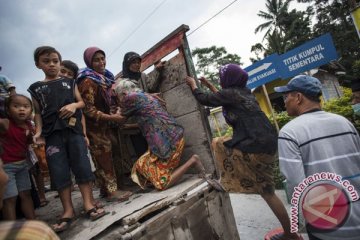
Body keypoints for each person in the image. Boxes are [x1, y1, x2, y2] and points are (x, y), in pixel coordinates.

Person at [185, 64, 302, 240]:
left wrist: (193, 85)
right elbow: (223, 99)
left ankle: (224, 180)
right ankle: (291, 234)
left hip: (255, 143)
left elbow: (205, 99)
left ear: (229, 79)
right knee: (268, 192)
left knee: (217, 143)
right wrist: (209, 85)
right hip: (269, 141)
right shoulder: (245, 93)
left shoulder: (231, 94)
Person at [28, 46, 107, 233]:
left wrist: (73, 105)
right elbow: (37, 113)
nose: (52, 65)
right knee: (59, 171)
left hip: (74, 132)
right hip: (52, 136)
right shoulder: (36, 88)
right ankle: (68, 210)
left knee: (82, 166)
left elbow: (81, 103)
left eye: (55, 61)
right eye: (46, 61)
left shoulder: (69, 83)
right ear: (38, 65)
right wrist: (38, 132)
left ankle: (88, 204)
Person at [274, 75, 360, 240]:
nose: (284, 102)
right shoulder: (344, 123)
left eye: (287, 96)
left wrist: (297, 226)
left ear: (298, 97)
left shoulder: (289, 132)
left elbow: (295, 184)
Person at [115, 79, 205, 190]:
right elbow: (149, 121)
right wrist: (129, 127)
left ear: (123, 94)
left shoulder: (129, 97)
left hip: (168, 143)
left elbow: (120, 119)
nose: (119, 101)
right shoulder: (143, 95)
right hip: (173, 136)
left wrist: (116, 111)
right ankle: (156, 178)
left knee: (162, 184)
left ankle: (193, 161)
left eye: (118, 98)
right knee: (141, 165)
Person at [77, 47, 132, 201]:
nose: (101, 62)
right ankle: (111, 192)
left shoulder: (106, 78)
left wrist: (117, 109)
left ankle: (108, 189)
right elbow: (88, 110)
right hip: (94, 127)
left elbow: (112, 99)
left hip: (106, 125)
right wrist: (112, 117)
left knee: (112, 152)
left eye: (103, 58)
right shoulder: (87, 81)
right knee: (103, 157)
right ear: (89, 62)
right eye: (96, 60)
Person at [0, 159, 60, 240]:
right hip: (9, 163)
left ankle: (31, 222)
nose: (6, 178)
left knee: (25, 194)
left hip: (21, 160)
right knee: (10, 199)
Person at [0, 94, 35, 220]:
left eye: (26, 106)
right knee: (10, 198)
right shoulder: (5, 123)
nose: (21, 109)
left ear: (31, 110)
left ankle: (33, 223)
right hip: (6, 167)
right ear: (8, 110)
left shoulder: (29, 125)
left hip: (22, 165)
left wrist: (32, 137)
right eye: (16, 106)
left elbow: (29, 142)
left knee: (26, 194)